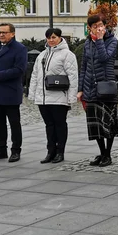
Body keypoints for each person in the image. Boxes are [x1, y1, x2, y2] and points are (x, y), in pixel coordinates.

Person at [27, 27, 79, 164]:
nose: (51, 40)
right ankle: (50, 151)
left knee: (59, 125)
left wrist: (71, 97)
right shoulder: (41, 55)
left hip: (59, 96)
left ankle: (60, 151)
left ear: (60, 38)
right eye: (49, 38)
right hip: (43, 97)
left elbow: (73, 77)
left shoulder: (67, 55)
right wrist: (32, 94)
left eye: (54, 37)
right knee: (49, 125)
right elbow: (35, 75)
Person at [78, 13, 118, 166]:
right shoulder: (87, 42)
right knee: (95, 125)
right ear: (89, 28)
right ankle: (102, 152)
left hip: (106, 87)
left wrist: (100, 40)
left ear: (105, 25)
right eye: (94, 26)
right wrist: (81, 89)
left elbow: (104, 58)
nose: (98, 28)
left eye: (100, 25)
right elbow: (84, 67)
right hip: (90, 87)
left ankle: (108, 154)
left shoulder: (112, 41)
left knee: (108, 122)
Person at [0, 22, 28, 162]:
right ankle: (1, 149)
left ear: (12, 34)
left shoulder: (19, 48)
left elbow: (19, 70)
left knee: (14, 123)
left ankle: (15, 150)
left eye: (4, 32)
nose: (1, 35)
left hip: (10, 91)